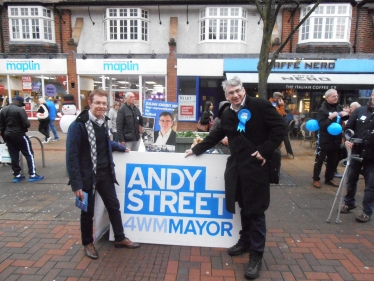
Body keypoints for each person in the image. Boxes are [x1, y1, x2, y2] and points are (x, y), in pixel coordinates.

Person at [185, 76, 285, 280]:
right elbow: (216, 135)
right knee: (242, 205)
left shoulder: (261, 105)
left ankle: (256, 255)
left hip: (257, 168)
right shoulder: (227, 113)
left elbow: (280, 128)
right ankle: (245, 240)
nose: (235, 95)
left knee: (256, 211)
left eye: (237, 91)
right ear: (226, 95)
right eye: (231, 93)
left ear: (244, 90)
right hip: (237, 169)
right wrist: (196, 149)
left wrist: (265, 150)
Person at [66, 89, 140, 260]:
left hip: (105, 173)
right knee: (87, 212)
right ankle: (87, 243)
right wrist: (76, 184)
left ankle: (120, 238)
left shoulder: (103, 122)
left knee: (113, 206)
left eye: (104, 103)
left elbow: (105, 142)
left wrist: (120, 147)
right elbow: (72, 156)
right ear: (90, 103)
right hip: (87, 177)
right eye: (97, 103)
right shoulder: (78, 125)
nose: (101, 106)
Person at [339, 91, 374, 223]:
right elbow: (348, 128)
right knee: (351, 179)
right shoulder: (360, 111)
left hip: (372, 155)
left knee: (370, 184)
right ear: (372, 95)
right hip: (356, 152)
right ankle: (349, 203)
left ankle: (367, 211)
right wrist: (348, 139)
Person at [0, 96, 44, 183]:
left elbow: (1, 125)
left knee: (13, 155)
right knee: (29, 154)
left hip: (8, 134)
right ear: (19, 102)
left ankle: (17, 175)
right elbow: (26, 124)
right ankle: (32, 174)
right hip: (19, 134)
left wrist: (4, 137)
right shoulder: (20, 110)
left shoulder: (3, 110)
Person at [312, 89, 349, 189]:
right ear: (327, 98)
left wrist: (346, 114)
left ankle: (329, 178)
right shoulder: (322, 110)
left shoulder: (339, 106)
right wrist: (330, 118)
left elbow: (342, 121)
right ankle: (316, 179)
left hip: (336, 139)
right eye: (333, 96)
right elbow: (322, 125)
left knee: (332, 161)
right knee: (319, 160)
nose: (336, 97)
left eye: (337, 96)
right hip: (325, 139)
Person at [269, 92, 293, 158]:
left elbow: (282, 113)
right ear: (277, 98)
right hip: (274, 126)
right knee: (277, 140)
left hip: (277, 125)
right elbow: (279, 114)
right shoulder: (273, 104)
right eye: (280, 98)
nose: (282, 100)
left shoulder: (275, 104)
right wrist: (282, 105)